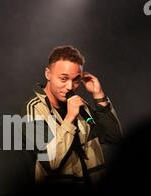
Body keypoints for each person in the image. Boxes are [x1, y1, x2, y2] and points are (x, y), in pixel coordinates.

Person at [22, 45, 122, 188]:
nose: (70, 86)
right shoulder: (34, 108)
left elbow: (114, 137)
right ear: (48, 74)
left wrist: (98, 96)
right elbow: (50, 162)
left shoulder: (81, 106)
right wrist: (69, 119)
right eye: (63, 79)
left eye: (76, 80)